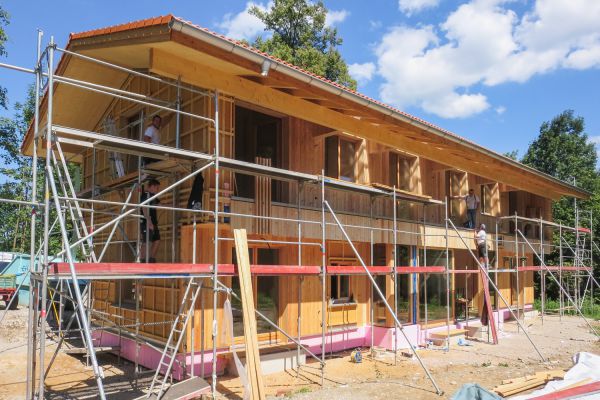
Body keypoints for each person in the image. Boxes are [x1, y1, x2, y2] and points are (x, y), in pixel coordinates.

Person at [140, 178, 161, 263]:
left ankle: (151, 259)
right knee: (146, 241)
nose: (157, 190)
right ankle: (142, 260)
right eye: (157, 188)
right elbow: (144, 208)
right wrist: (149, 221)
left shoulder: (153, 196)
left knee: (157, 240)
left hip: (153, 222)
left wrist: (173, 205)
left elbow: (159, 205)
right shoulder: (145, 195)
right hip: (146, 222)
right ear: (152, 186)